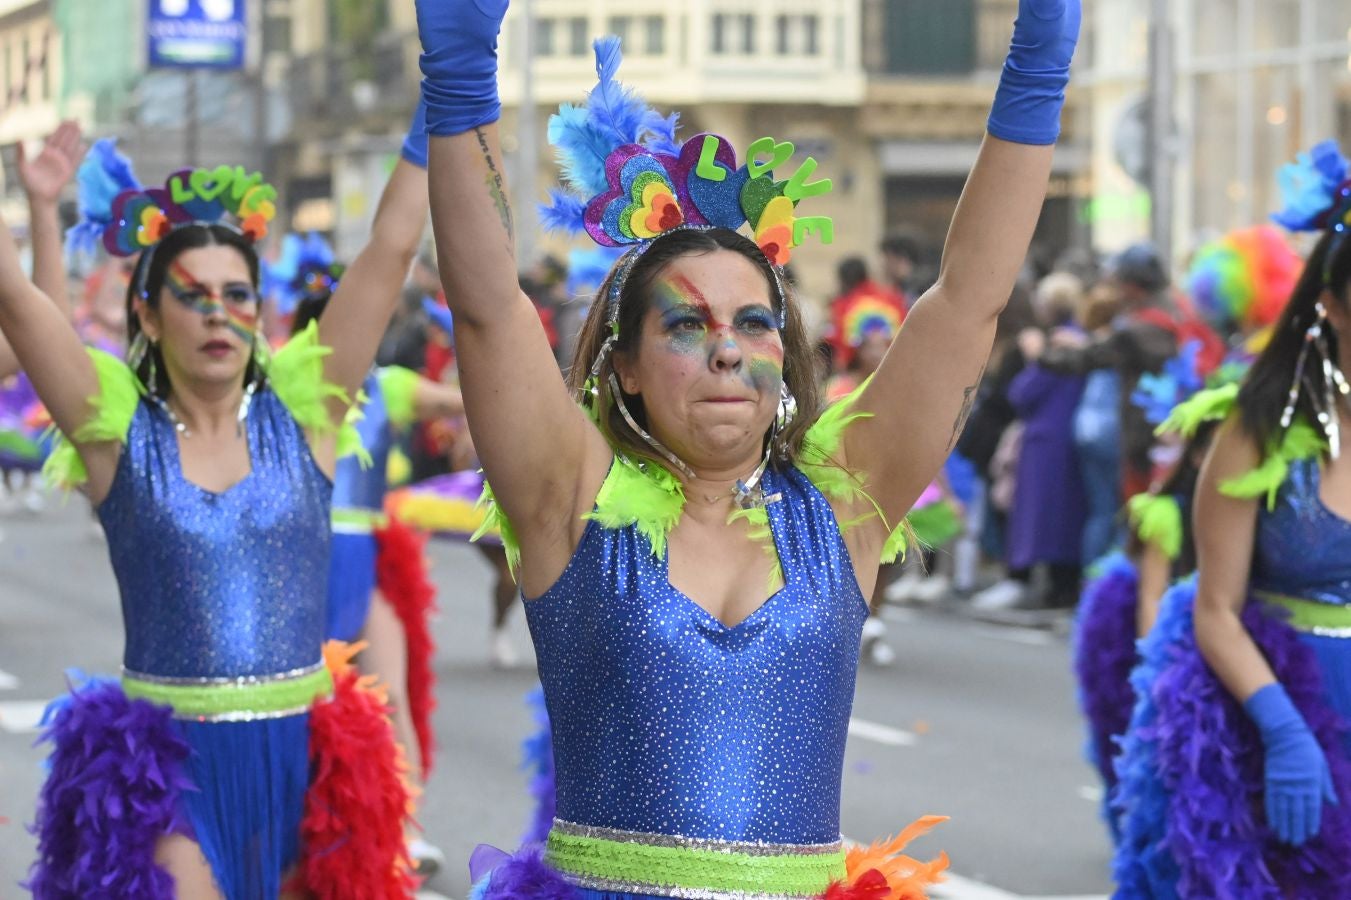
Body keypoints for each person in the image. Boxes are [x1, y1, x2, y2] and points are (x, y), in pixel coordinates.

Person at [417, 0, 1078, 895]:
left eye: (754, 322)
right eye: (687, 323)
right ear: (627, 369)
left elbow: (965, 303)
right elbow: (490, 304)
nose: (727, 347)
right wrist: (460, 81)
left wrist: (1036, 67)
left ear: (785, 353)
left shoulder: (845, 500)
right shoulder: (567, 498)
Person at [12, 107, 431, 897]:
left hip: (307, 767)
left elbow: (389, 250)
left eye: (237, 294)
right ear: (145, 312)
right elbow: (20, 303)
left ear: (261, 314)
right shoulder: (114, 437)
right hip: (169, 777)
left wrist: (440, 105)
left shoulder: (309, 419)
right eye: (191, 293)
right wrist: (37, 203)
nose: (216, 312)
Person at [1112, 140, 1351, 896]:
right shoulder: (1258, 426)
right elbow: (1213, 606)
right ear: (1330, 303)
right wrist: (1280, 727)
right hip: (1278, 708)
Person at [276, 232, 464, 876]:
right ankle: (297, 821)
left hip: (364, 560)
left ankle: (405, 825)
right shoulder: (275, 383)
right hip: (300, 563)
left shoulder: (388, 385)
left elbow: (474, 402)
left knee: (390, 696)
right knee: (300, 700)